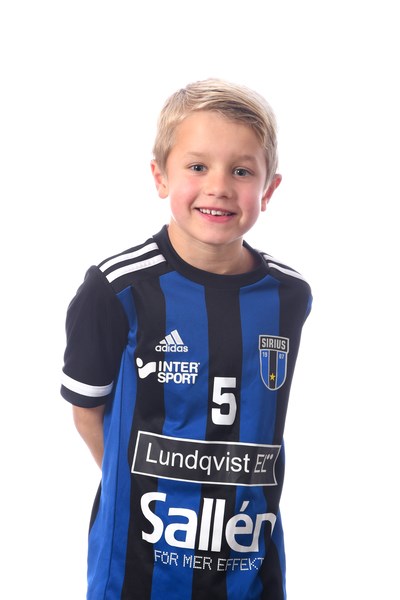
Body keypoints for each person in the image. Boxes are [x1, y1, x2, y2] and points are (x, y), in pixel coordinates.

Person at [61, 78, 312, 600]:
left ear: (268, 189)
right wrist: (152, 490)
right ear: (160, 176)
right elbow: (87, 412)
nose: (219, 186)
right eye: (197, 166)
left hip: (249, 558)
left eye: (241, 171)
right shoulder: (117, 289)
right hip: (138, 562)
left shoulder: (289, 296)